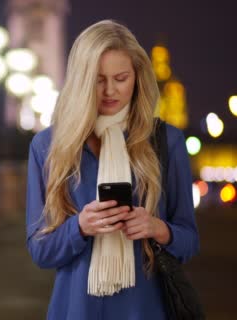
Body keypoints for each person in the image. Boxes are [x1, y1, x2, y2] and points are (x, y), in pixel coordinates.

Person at [25, 20, 200, 319]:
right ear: (81, 79)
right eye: (97, 79)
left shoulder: (166, 142)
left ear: (138, 77)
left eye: (121, 78)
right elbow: (40, 251)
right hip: (75, 310)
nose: (109, 91)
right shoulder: (48, 145)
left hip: (145, 310)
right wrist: (79, 227)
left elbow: (189, 242)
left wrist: (158, 228)